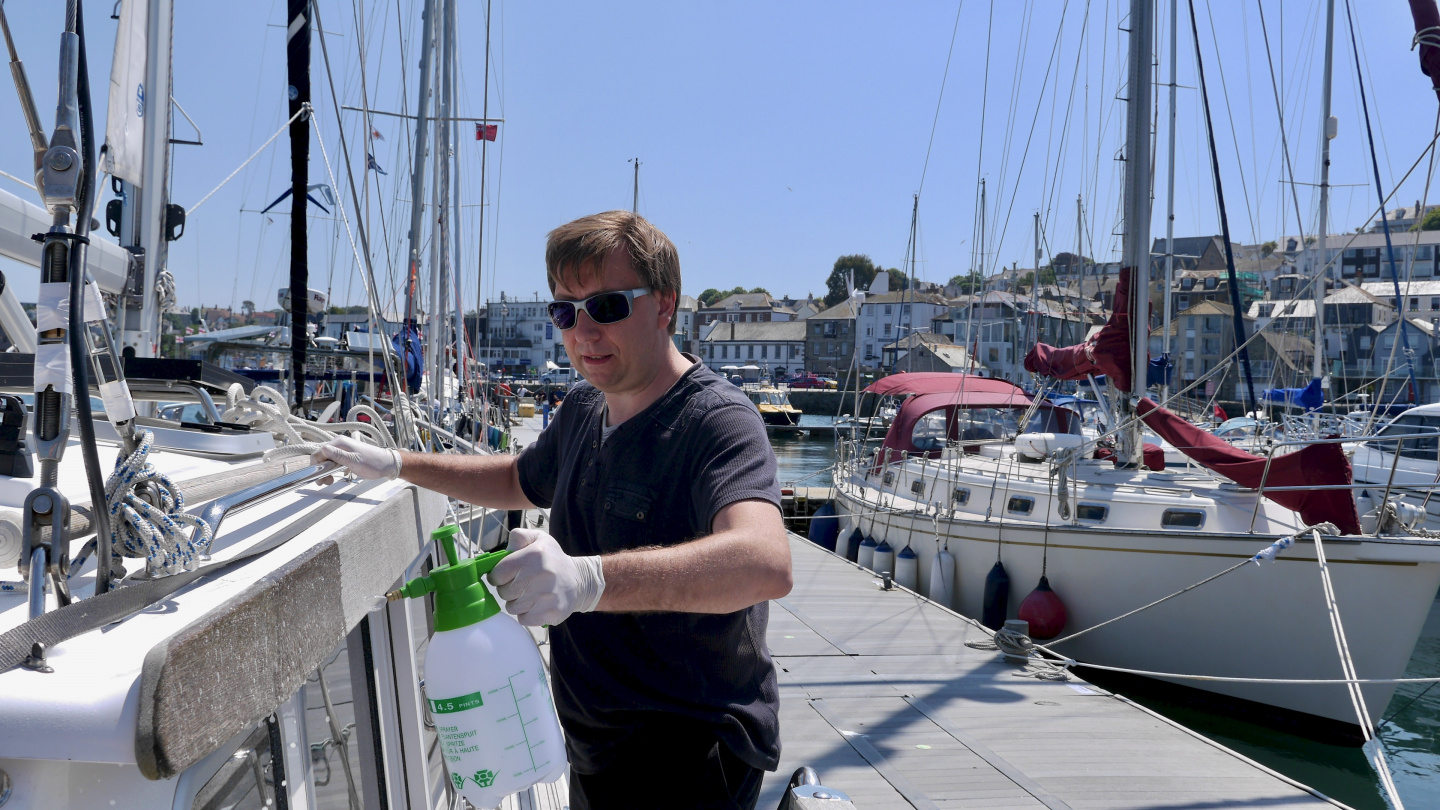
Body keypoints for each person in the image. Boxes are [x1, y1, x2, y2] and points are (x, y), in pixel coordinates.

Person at [316, 211, 791, 810]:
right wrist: (399, 464)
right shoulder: (585, 408)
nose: (583, 331)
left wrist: (588, 580)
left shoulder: (718, 422)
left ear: (665, 304)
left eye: (609, 306)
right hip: (594, 744)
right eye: (566, 311)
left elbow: (764, 562)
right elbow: (518, 478)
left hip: (687, 750)